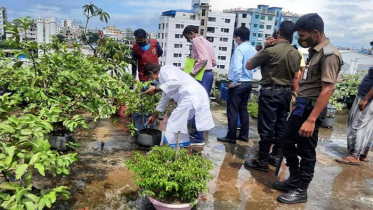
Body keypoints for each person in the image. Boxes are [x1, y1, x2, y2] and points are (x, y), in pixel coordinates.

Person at [274, 13, 343, 204]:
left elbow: (328, 88)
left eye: (303, 36)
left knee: (306, 150)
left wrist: (311, 120)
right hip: (302, 106)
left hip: (311, 110)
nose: (300, 40)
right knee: (286, 141)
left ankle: (301, 190)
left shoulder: (329, 54)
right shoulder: (316, 52)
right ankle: (294, 179)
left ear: (315, 33)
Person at [244, 21, 301, 172]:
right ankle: (275, 156)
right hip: (287, 93)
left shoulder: (270, 50)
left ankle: (262, 161)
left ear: (278, 32)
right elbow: (295, 78)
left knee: (266, 128)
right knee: (280, 126)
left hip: (271, 93)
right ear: (292, 34)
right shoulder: (295, 53)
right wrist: (295, 96)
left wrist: (264, 47)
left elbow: (249, 65)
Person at [144, 63, 215, 147]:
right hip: (192, 96)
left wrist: (155, 90)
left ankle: (163, 151)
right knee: (180, 124)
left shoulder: (165, 70)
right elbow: (164, 98)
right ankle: (184, 147)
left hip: (191, 96)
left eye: (150, 77)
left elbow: (174, 82)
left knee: (174, 122)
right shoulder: (164, 80)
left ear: (151, 73)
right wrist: (154, 116)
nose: (152, 79)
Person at [217, 27, 257, 144]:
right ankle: (244, 135)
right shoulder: (253, 49)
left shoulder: (239, 49)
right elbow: (255, 67)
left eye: (235, 38)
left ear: (238, 38)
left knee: (232, 110)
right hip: (248, 82)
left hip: (239, 83)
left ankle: (231, 136)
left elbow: (237, 68)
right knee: (243, 110)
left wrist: (234, 83)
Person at [183, 25, 217, 145]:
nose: (188, 40)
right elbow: (213, 61)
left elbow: (203, 59)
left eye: (187, 38)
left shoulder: (197, 40)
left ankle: (198, 137)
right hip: (208, 74)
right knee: (201, 103)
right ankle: (197, 133)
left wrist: (192, 72)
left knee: (197, 104)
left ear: (191, 33)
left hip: (201, 75)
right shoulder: (206, 41)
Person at [336, 67, 373, 165]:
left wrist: (366, 98)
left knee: (357, 125)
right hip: (366, 97)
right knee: (368, 127)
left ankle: (354, 155)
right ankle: (362, 154)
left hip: (367, 99)